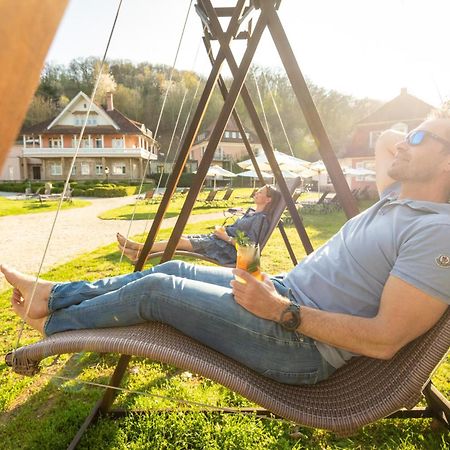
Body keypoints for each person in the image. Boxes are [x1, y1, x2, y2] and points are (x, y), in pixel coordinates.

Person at [2, 113, 449, 386]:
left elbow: (387, 339)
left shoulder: (438, 232)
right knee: (172, 264)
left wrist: (281, 312)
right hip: (281, 291)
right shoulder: (399, 199)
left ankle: (53, 325)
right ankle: (52, 297)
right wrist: (424, 129)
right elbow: (387, 138)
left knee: (157, 289)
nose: (404, 142)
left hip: (299, 343)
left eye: (418, 139)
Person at [117, 185, 281, 265]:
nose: (256, 193)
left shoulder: (261, 219)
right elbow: (240, 233)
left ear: (268, 200)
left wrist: (226, 236)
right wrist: (223, 232)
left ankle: (137, 247)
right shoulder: (252, 212)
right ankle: (138, 253)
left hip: (227, 250)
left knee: (180, 242)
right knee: (181, 239)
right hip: (219, 241)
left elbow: (250, 249)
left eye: (260, 192)